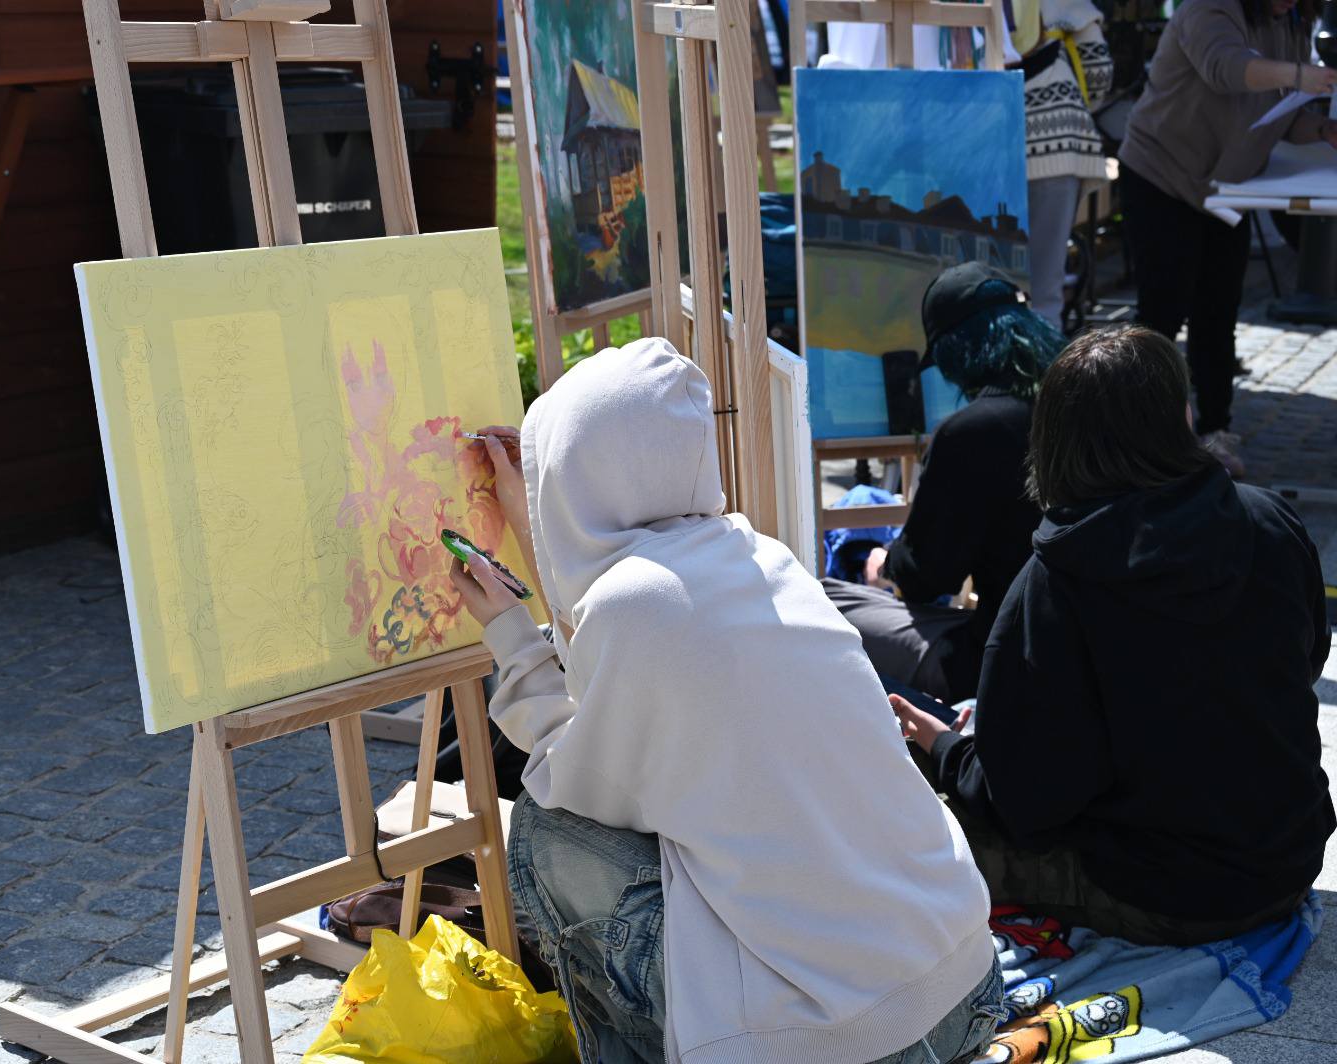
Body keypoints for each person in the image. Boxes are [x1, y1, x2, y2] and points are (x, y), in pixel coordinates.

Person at [450, 337, 1003, 1064]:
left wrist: (510, 635)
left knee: (541, 831)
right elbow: (615, 667)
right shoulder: (761, 556)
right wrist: (538, 531)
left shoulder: (634, 606)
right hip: (963, 982)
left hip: (847, 1042)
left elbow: (573, 780)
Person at [893, 324, 1334, 946]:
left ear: (1055, 439)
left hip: (1167, 892)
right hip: (1288, 857)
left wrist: (945, 748)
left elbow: (1028, 799)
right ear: (1179, 416)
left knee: (901, 823)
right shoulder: (1270, 520)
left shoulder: (1059, 577)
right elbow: (1305, 661)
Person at [825, 263, 1066, 703]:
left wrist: (885, 563)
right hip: (1104, 643)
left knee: (824, 602)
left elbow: (928, 577)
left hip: (1011, 662)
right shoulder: (1084, 399)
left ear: (955, 353)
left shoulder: (971, 431)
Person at [1119, 0, 1337, 477]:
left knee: (1218, 310)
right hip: (1160, 175)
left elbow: (1280, 113)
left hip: (1225, 189)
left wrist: (1322, 128)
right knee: (1162, 311)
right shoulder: (1207, 6)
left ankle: (1215, 430)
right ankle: (1139, 436)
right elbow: (1226, 68)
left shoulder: (1292, 22)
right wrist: (1303, 75)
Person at [1021, 0, 1112, 325]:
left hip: (977, 139)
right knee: (1045, 292)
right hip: (1056, 142)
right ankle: (1043, 355)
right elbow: (1098, 71)